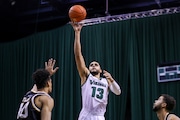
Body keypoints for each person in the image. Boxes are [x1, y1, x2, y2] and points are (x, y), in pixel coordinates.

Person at [71, 22, 121, 120]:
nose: (93, 66)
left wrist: (112, 79)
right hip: (86, 115)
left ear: (100, 70)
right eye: (91, 65)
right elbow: (78, 55)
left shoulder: (106, 81)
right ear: (88, 69)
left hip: (100, 116)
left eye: (96, 65)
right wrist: (77, 33)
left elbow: (118, 92)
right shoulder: (86, 76)